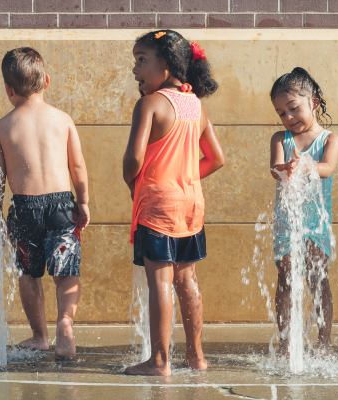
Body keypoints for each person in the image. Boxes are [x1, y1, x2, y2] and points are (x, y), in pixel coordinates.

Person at [122, 30, 224, 376]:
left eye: (141, 60)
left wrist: (132, 179)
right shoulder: (196, 105)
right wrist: (184, 176)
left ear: (164, 64)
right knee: (188, 280)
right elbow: (216, 159)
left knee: (161, 283)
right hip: (191, 204)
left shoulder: (149, 104)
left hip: (158, 205)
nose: (135, 70)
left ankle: (159, 360)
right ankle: (197, 356)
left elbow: (133, 161)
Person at [0, 47, 90, 359]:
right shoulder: (62, 120)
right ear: (46, 81)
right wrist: (83, 202)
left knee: (29, 274)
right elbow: (78, 167)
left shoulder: (2, 127)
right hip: (61, 206)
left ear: (8, 89)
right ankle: (65, 322)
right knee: (66, 272)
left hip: (24, 208)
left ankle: (39, 336)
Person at [269, 67, 338, 356]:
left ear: (315, 103)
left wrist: (307, 165)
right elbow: (274, 169)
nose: (288, 118)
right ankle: (286, 343)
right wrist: (284, 168)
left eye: (293, 108)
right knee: (285, 278)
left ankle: (325, 343)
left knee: (317, 277)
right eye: (281, 112)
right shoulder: (279, 138)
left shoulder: (330, 139)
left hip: (316, 221)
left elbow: (328, 168)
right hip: (287, 220)